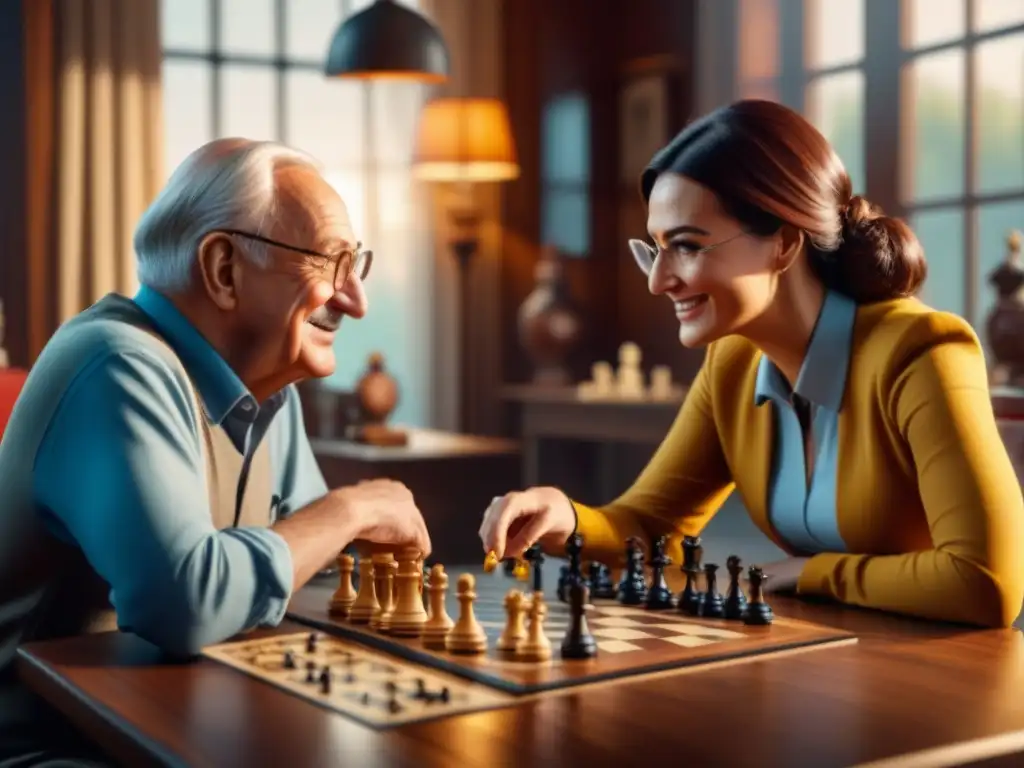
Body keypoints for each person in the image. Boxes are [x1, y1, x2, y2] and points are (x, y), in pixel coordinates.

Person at [480, 99, 1024, 629]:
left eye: (687, 246)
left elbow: (986, 581)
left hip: (948, 680)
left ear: (783, 243)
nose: (657, 280)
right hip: (827, 659)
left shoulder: (922, 352)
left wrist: (815, 573)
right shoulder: (733, 363)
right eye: (654, 248)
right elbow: (650, 529)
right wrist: (566, 518)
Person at [0, 138, 431, 764]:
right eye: (329, 264)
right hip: (48, 747)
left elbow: (305, 566)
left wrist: (347, 542)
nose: (354, 300)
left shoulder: (268, 387)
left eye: (354, 265)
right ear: (224, 269)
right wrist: (350, 512)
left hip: (164, 719)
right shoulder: (117, 364)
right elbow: (186, 604)